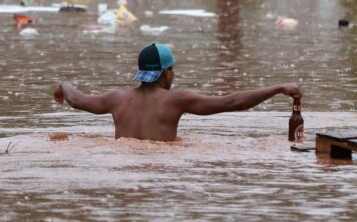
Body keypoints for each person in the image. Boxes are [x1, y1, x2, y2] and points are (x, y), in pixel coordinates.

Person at [52, 43, 302, 142]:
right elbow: (232, 102)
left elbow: (76, 100)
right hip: (163, 167)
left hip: (124, 165)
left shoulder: (116, 99)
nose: (174, 75)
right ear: (165, 73)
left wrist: (64, 84)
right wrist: (278, 88)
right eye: (172, 70)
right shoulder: (177, 100)